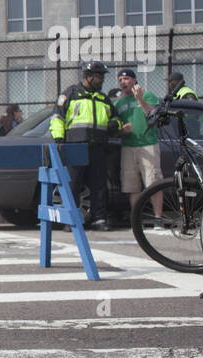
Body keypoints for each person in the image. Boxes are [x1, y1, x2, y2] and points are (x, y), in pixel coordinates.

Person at [50, 62, 121, 231]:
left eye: (102, 76)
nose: (102, 79)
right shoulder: (70, 94)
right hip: (76, 145)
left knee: (99, 185)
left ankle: (99, 219)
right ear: (88, 76)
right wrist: (59, 140)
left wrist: (114, 125)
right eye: (99, 76)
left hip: (98, 147)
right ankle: (72, 220)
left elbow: (117, 120)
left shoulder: (104, 98)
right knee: (73, 184)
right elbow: (57, 118)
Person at [114, 69, 163, 226]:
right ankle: (137, 220)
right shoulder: (119, 103)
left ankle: (158, 218)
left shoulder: (147, 95)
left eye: (126, 79)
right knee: (132, 185)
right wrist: (122, 130)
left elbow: (153, 115)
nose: (123, 82)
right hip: (128, 146)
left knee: (153, 182)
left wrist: (140, 98)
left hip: (148, 144)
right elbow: (116, 128)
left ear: (134, 80)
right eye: (120, 79)